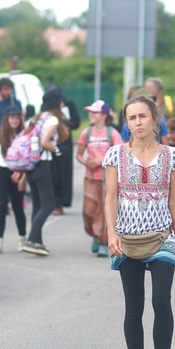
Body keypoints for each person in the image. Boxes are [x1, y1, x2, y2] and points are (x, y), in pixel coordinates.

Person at [102, 95, 175, 349]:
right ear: (126, 123)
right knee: (133, 307)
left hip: (162, 236)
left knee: (162, 302)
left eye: (143, 116)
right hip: (126, 238)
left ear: (155, 119)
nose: (137, 123)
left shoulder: (172, 155)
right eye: (132, 118)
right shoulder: (115, 155)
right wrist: (111, 234)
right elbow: (110, 198)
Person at [76, 100, 122, 257]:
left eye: (94, 112)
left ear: (104, 115)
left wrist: (101, 162)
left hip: (106, 179)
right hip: (89, 177)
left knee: (104, 211)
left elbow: (120, 156)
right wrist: (86, 163)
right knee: (88, 211)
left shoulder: (113, 134)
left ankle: (103, 240)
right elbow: (79, 155)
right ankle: (94, 234)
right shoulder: (86, 133)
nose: (91, 115)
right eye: (90, 112)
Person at [20, 88, 63, 256]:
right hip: (43, 164)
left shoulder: (35, 118)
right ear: (57, 103)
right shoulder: (52, 119)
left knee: (38, 205)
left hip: (31, 165)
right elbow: (45, 142)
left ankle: (37, 242)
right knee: (48, 205)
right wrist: (56, 149)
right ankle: (31, 240)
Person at [0, 106, 28, 254]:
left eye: (17, 117)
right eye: (12, 117)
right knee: (1, 205)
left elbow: (28, 156)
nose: (14, 120)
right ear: (6, 119)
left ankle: (23, 238)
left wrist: (23, 174)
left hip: (18, 171)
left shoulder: (24, 135)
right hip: (0, 171)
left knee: (18, 206)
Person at [49, 85, 80, 215]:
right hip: (51, 142)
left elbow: (76, 122)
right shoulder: (48, 107)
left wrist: (64, 124)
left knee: (64, 173)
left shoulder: (69, 104)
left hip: (65, 141)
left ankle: (61, 202)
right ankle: (51, 202)